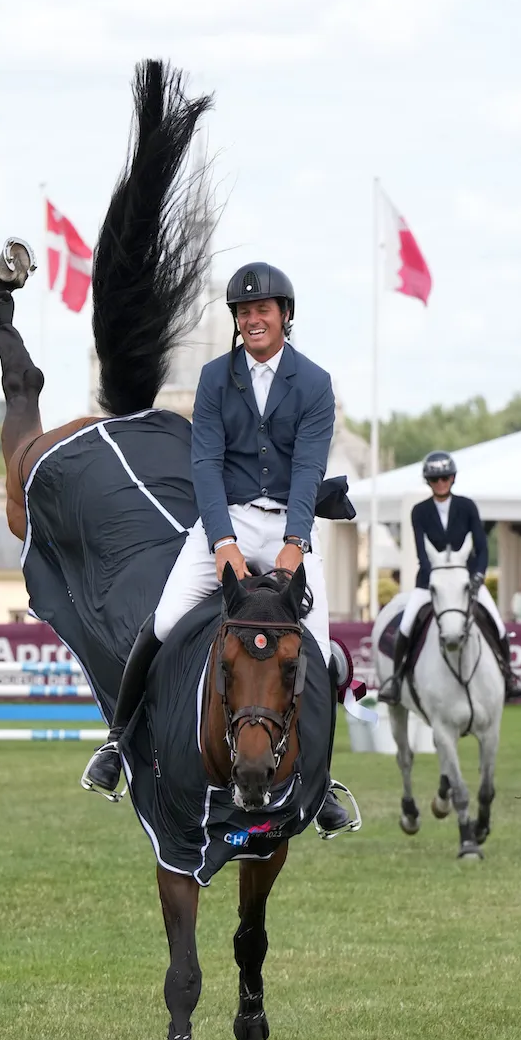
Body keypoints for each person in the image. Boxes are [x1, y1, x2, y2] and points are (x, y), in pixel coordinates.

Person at [83, 260, 352, 834]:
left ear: (285, 316)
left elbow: (308, 466)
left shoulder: (314, 382)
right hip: (224, 519)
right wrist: (222, 540)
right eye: (244, 312)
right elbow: (204, 460)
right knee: (165, 622)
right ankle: (115, 745)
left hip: (289, 523)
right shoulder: (213, 378)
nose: (253, 319)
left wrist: (296, 542)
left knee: (323, 653)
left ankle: (322, 781)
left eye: (262, 310)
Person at [378, 450, 521, 704]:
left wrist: (478, 575)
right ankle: (396, 679)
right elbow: (421, 552)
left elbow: (482, 547)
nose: (440, 483)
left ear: (452, 478)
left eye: (445, 478)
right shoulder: (419, 511)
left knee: (498, 624)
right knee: (406, 624)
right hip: (431, 582)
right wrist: (432, 575)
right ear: (428, 482)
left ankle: (508, 675)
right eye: (435, 479)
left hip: (467, 580)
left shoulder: (467, 506)